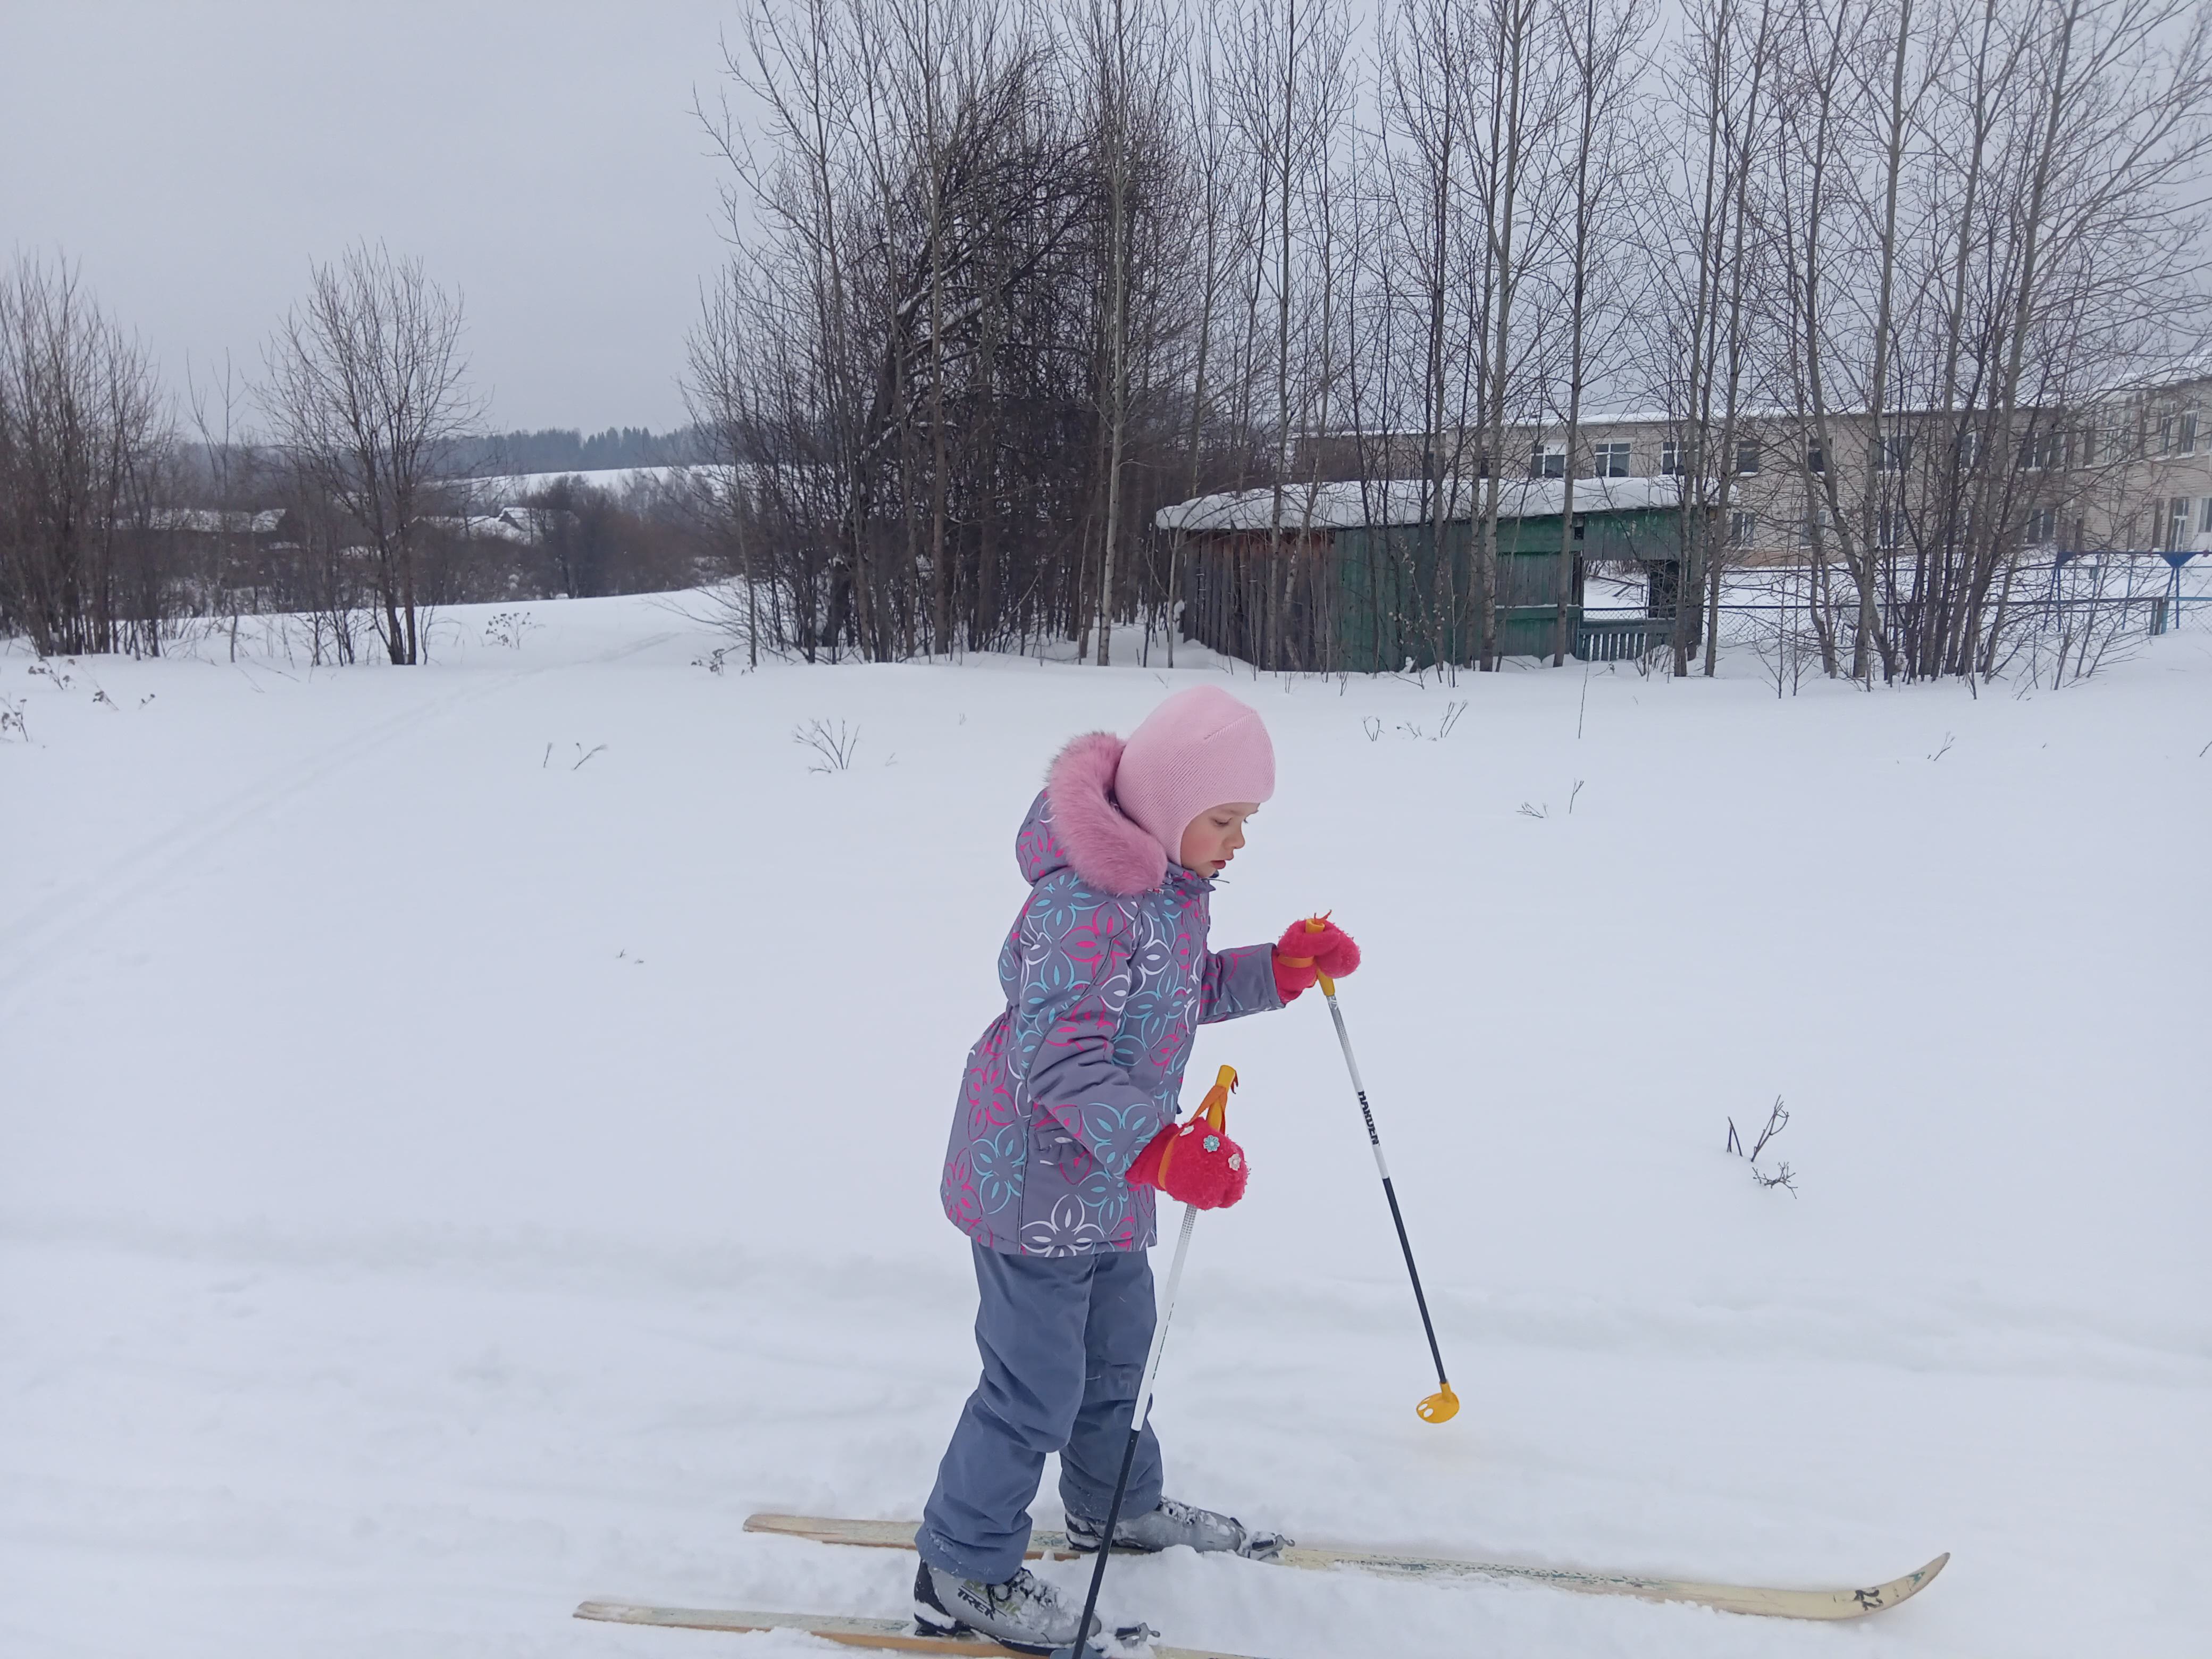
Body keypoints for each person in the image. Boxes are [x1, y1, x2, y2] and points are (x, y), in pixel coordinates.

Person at [916, 685, 1360, 1653]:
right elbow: (1061, 1056)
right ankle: (962, 1562)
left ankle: (1111, 1506)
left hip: (1109, 1184)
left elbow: (1181, 992)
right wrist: (1160, 1149)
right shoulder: (1085, 905)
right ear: (1165, 803)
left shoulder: (1167, 896)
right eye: (1226, 818)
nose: (1239, 840)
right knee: (1034, 1384)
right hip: (1032, 1184)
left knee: (1120, 1357)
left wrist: (1279, 970)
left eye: (1248, 821)